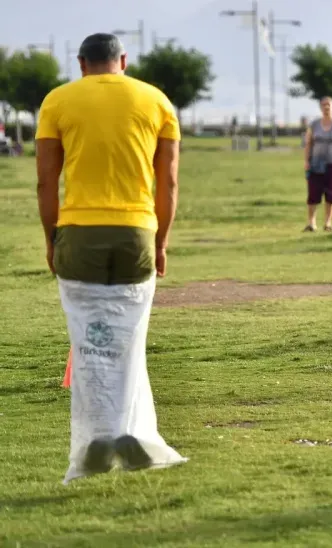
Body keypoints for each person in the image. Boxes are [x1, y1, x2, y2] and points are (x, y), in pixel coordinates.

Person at [35, 33, 187, 483]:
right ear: (123, 60)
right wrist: (160, 242)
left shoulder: (58, 102)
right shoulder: (156, 101)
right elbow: (170, 184)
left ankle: (99, 440)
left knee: (89, 341)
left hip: (79, 234)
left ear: (81, 63)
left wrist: (51, 238)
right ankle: (129, 433)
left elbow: (46, 182)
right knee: (128, 339)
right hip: (137, 233)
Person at [303, 97, 332, 232]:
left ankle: (328, 223)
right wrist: (306, 161)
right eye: (323, 105)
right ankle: (311, 223)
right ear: (320, 107)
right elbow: (309, 144)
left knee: (331, 194)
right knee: (313, 194)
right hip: (316, 164)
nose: (326, 107)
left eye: (328, 105)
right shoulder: (314, 125)